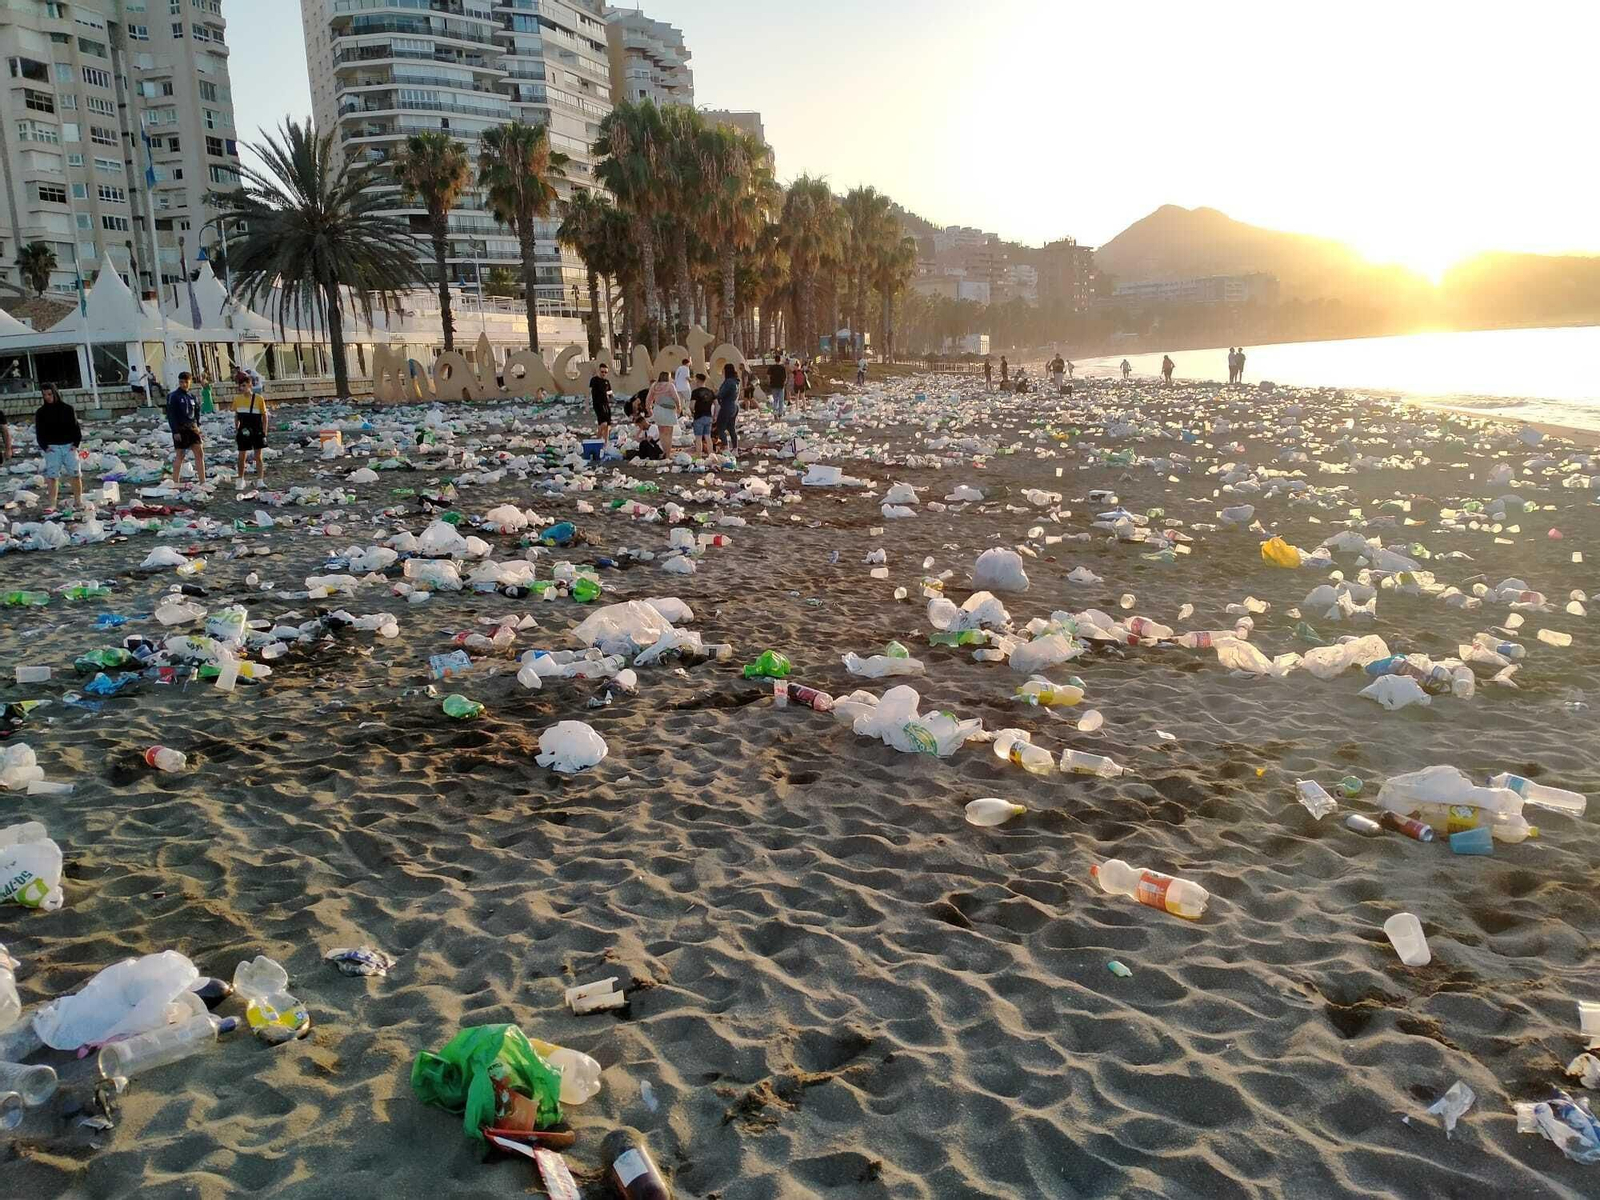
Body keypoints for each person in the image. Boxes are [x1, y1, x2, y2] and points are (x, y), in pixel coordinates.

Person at [35, 383, 83, 511]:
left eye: (49, 394)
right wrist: (45, 447)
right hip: (52, 448)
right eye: (44, 395)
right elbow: (39, 432)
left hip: (69, 446)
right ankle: (52, 504)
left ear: (55, 393)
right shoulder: (41, 412)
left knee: (75, 474)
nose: (47, 397)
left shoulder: (67, 409)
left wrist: (75, 444)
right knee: (52, 476)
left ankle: (78, 501)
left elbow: (75, 427)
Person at [167, 370, 206, 486]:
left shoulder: (192, 396)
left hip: (192, 429)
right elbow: (171, 415)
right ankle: (175, 482)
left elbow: (197, 412)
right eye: (181, 382)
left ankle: (203, 481)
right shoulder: (173, 396)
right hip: (181, 429)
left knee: (199, 454)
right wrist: (175, 431)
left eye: (186, 382)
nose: (183, 384)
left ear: (190, 382)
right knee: (180, 455)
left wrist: (198, 426)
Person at [232, 373, 269, 483]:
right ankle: (240, 479)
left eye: (244, 385)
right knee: (242, 455)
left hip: (257, 429)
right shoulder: (237, 399)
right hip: (243, 429)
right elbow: (236, 415)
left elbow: (264, 415)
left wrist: (264, 431)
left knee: (258, 456)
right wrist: (236, 429)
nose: (241, 388)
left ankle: (260, 480)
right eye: (240, 386)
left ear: (250, 385)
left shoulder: (259, 399)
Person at [646, 369, 681, 455]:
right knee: (669, 433)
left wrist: (649, 409)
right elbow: (676, 398)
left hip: (658, 409)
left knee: (662, 433)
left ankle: (664, 452)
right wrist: (679, 407)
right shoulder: (670, 386)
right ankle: (668, 455)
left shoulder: (654, 386)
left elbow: (648, 399)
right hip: (668, 410)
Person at [714, 361, 740, 458]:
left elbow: (721, 394)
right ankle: (735, 449)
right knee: (731, 428)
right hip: (735, 406)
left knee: (720, 428)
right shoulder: (736, 381)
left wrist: (714, 394)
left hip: (726, 406)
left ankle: (726, 448)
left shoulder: (728, 382)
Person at [689, 371, 716, 457]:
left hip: (699, 417)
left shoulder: (695, 392)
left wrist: (692, 412)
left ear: (698, 380)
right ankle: (711, 454)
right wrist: (715, 415)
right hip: (708, 416)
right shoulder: (710, 392)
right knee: (708, 437)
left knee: (698, 438)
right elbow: (717, 404)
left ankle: (698, 455)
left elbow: (692, 406)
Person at [588, 362, 613, 443]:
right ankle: (597, 440)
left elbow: (610, 392)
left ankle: (606, 442)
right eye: (602, 372)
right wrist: (586, 404)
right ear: (599, 370)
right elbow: (589, 392)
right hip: (598, 404)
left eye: (605, 372)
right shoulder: (594, 380)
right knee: (603, 423)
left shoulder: (607, 381)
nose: (604, 374)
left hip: (606, 404)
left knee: (608, 425)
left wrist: (609, 395)